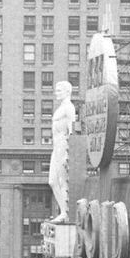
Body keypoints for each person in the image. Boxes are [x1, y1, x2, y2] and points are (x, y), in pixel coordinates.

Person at [48, 80, 76, 221]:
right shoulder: (61, 108)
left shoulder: (69, 108)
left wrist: (68, 153)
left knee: (63, 180)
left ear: (67, 92)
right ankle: (63, 211)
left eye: (59, 90)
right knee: (52, 181)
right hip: (56, 146)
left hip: (63, 146)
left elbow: (71, 131)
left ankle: (65, 213)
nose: (56, 93)